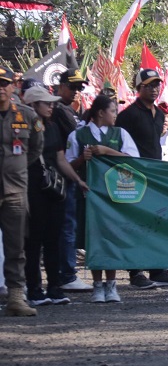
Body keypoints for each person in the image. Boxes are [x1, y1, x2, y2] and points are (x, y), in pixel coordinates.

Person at [116, 69, 168, 289]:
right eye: (149, 85)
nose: (154, 88)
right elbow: (118, 145)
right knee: (135, 224)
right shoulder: (127, 115)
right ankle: (135, 272)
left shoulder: (159, 113)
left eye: (157, 84)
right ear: (139, 88)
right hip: (132, 177)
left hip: (154, 176)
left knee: (157, 222)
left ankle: (157, 269)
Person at [67, 95, 140, 302]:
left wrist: (107, 151)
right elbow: (67, 165)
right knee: (93, 240)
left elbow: (134, 160)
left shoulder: (120, 134)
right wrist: (83, 158)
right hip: (89, 195)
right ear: (100, 113)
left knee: (112, 238)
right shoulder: (78, 136)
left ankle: (112, 284)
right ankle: (97, 285)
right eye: (113, 111)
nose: (115, 115)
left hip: (114, 195)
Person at [23, 87, 88, 307]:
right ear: (32, 105)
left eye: (52, 102)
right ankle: (33, 289)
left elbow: (60, 160)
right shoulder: (23, 128)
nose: (51, 106)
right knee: (33, 242)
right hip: (32, 189)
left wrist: (77, 180)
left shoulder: (52, 127)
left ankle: (54, 287)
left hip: (55, 189)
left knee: (53, 240)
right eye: (46, 102)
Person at [0, 67, 44, 316]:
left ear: (13, 87)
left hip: (15, 190)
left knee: (16, 246)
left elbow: (35, 149)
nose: (1, 88)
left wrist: (15, 170)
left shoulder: (27, 116)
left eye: (4, 83)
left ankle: (16, 297)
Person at [52, 69, 92, 292]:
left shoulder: (72, 111)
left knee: (68, 226)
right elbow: (78, 140)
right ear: (61, 86)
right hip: (61, 175)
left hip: (70, 173)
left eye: (80, 88)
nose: (77, 92)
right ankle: (66, 273)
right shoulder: (60, 110)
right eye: (73, 87)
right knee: (66, 227)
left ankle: (64, 273)